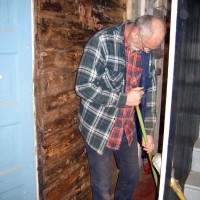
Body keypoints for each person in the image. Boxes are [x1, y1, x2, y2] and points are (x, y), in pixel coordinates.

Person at [75, 15, 165, 200]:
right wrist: (123, 99)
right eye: (147, 46)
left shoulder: (147, 53)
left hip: (128, 127)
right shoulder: (102, 42)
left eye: (151, 48)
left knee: (131, 176)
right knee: (103, 188)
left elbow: (150, 95)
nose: (148, 51)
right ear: (137, 32)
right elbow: (83, 87)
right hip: (100, 128)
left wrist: (147, 131)